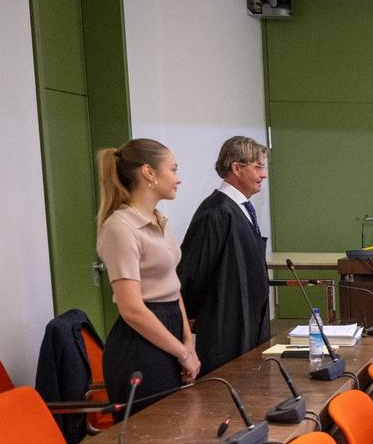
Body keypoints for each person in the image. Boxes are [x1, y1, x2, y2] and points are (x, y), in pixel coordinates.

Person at [95, 139, 200, 408]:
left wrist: (187, 343)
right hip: (141, 344)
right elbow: (131, 309)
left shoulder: (158, 219)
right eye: (173, 170)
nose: (178, 179)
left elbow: (172, 287)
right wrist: (181, 352)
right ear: (148, 172)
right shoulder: (120, 227)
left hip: (171, 331)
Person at [177, 136, 272, 376]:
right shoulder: (216, 212)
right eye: (258, 167)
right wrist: (190, 317)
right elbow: (193, 273)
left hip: (250, 325)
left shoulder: (242, 208)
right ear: (236, 168)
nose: (264, 175)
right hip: (226, 329)